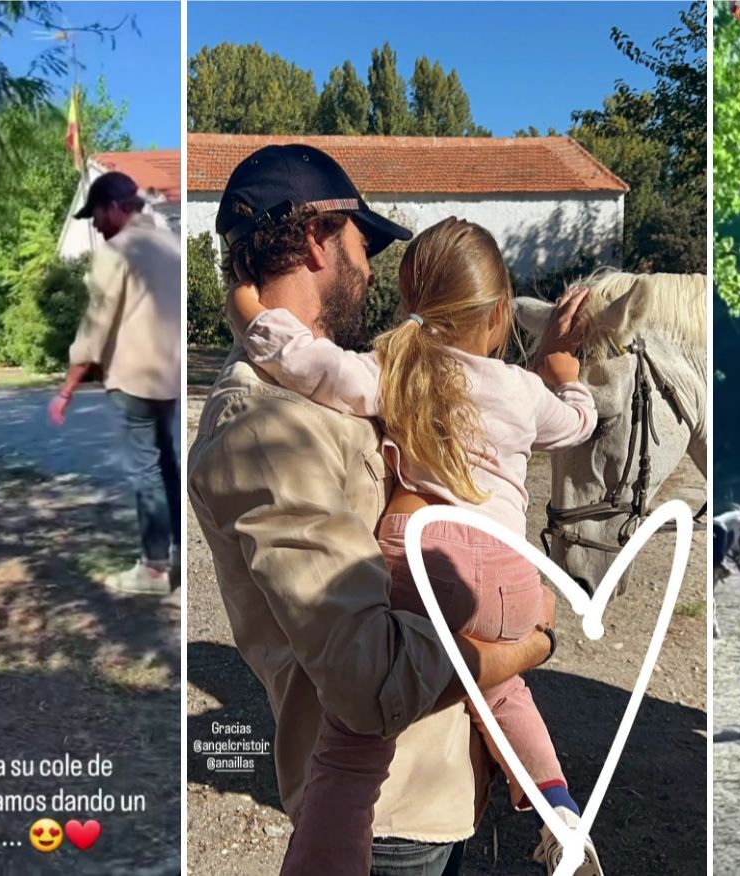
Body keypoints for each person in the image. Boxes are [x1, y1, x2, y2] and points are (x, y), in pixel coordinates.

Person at [189, 144, 557, 876]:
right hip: (390, 824)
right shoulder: (264, 426)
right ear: (320, 239)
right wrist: (528, 645)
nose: (371, 268)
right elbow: (368, 682)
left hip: (440, 788)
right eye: (364, 244)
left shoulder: (335, 388)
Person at [50, 171, 182, 595]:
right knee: (166, 464)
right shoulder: (169, 244)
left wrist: (67, 387)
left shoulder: (117, 251)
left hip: (134, 378)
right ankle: (177, 552)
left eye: (96, 215)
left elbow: (96, 324)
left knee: (146, 470)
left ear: (113, 208)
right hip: (170, 375)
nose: (95, 225)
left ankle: (154, 569)